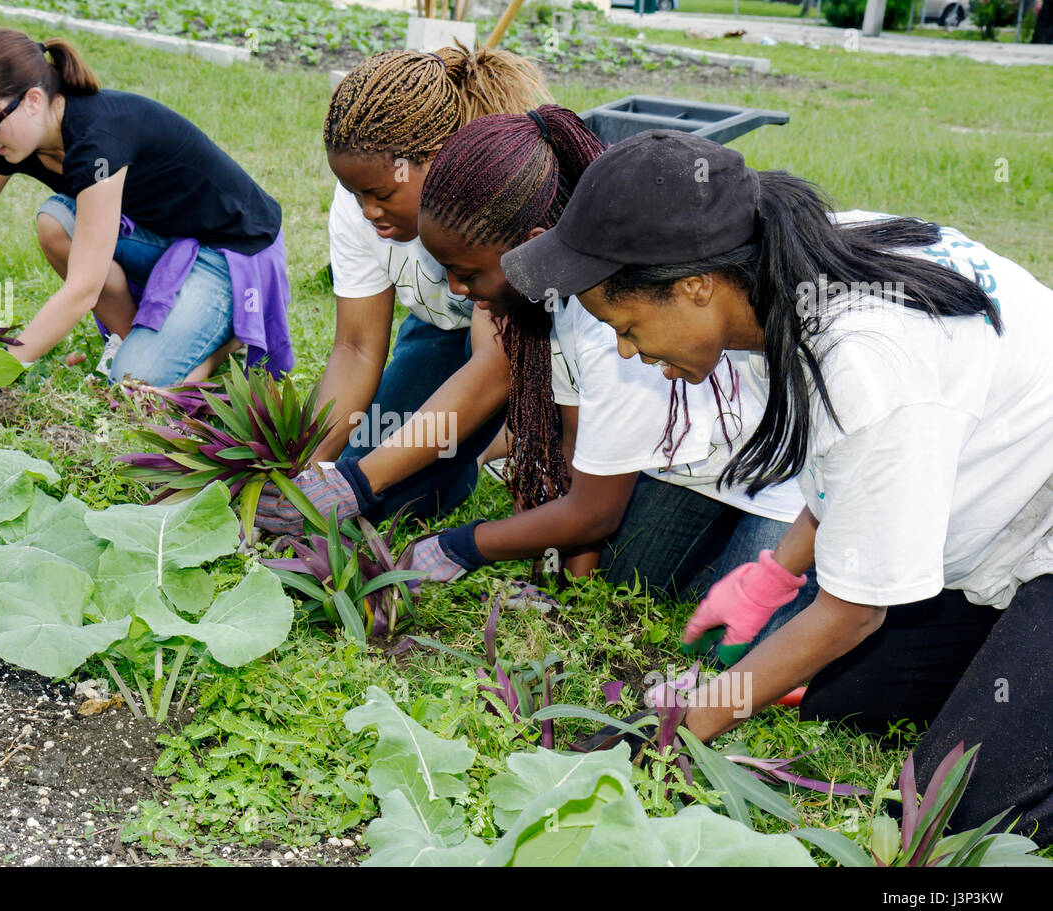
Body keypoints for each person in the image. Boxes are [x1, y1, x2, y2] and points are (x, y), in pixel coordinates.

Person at [503, 128, 1053, 841]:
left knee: (959, 819)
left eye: (630, 326)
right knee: (846, 703)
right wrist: (772, 575)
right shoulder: (781, 275)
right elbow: (847, 476)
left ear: (695, 285)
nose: (627, 351)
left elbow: (854, 611)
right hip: (1004, 525)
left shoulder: (865, 363)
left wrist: (680, 727)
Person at [406, 109, 813, 652]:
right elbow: (583, 460)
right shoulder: (578, 304)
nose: (458, 290)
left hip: (793, 484)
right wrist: (566, 584)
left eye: (469, 272)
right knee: (629, 583)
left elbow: (594, 509)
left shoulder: (612, 318)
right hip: (699, 466)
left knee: (730, 649)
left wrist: (462, 545)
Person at [0, 28, 292, 397]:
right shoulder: (14, 136)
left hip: (232, 250)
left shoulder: (98, 142)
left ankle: (222, 344)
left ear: (34, 100)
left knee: (133, 384)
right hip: (165, 236)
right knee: (56, 221)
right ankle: (131, 338)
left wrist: (1, 370)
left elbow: (81, 290)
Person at [254, 44, 549, 531]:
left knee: (390, 490)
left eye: (383, 194)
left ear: (437, 160)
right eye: (356, 194)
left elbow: (492, 367)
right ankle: (490, 437)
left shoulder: (493, 190)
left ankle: (511, 433)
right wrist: (304, 472)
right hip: (440, 332)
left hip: (527, 343)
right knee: (372, 474)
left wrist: (356, 482)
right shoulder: (361, 202)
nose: (368, 211)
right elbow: (356, 348)